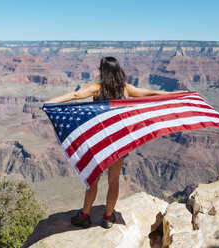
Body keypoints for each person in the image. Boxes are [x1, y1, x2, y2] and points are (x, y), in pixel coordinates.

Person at [45, 56, 185, 229]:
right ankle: (108, 217)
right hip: (118, 143)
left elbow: (75, 95)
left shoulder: (97, 88)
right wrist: (179, 95)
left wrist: (50, 103)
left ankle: (85, 216)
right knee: (114, 180)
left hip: (99, 144)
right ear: (118, 70)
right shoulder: (126, 89)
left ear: (103, 71)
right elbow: (151, 93)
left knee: (93, 181)